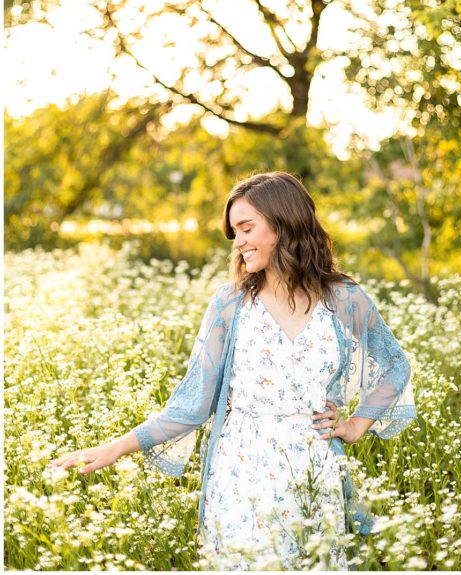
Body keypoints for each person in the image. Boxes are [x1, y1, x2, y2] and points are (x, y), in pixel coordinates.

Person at [50, 171, 416, 569]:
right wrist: (114, 448)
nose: (238, 242)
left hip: (315, 473)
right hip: (241, 476)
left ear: (284, 222)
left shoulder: (344, 299)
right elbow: (192, 405)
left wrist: (355, 425)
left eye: (246, 228)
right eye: (234, 232)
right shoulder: (231, 304)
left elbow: (395, 366)